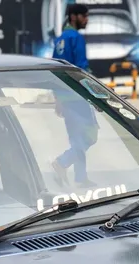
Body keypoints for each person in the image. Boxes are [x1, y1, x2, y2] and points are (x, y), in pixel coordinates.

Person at [50, 4, 97, 188]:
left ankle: (80, 177)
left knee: (76, 138)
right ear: (74, 16)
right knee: (90, 136)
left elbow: (54, 69)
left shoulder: (61, 39)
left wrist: (58, 98)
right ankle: (62, 162)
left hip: (65, 96)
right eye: (84, 16)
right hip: (77, 97)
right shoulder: (76, 38)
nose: (87, 20)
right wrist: (95, 95)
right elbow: (81, 71)